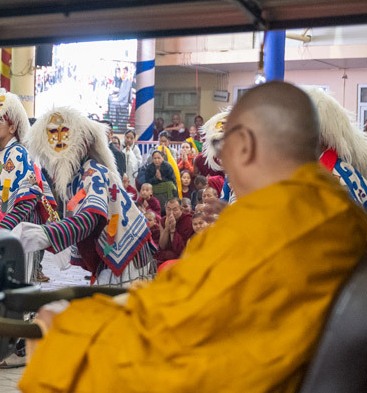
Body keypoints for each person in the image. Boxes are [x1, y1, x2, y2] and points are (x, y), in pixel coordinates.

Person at [19, 81, 367, 393]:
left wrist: (69, 328)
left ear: (244, 145)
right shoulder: (336, 209)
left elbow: (181, 328)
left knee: (67, 330)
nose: (219, 160)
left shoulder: (262, 222)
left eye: (224, 145)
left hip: (227, 369)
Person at [18, 106, 153, 286]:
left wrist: (46, 234)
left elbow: (88, 220)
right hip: (115, 256)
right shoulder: (78, 177)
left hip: (126, 256)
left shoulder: (93, 173)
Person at [0, 92, 55, 232]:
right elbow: (3, 191)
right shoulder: (2, 154)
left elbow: (29, 197)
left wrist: (3, 229)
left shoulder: (18, 153)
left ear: (12, 128)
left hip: (20, 232)